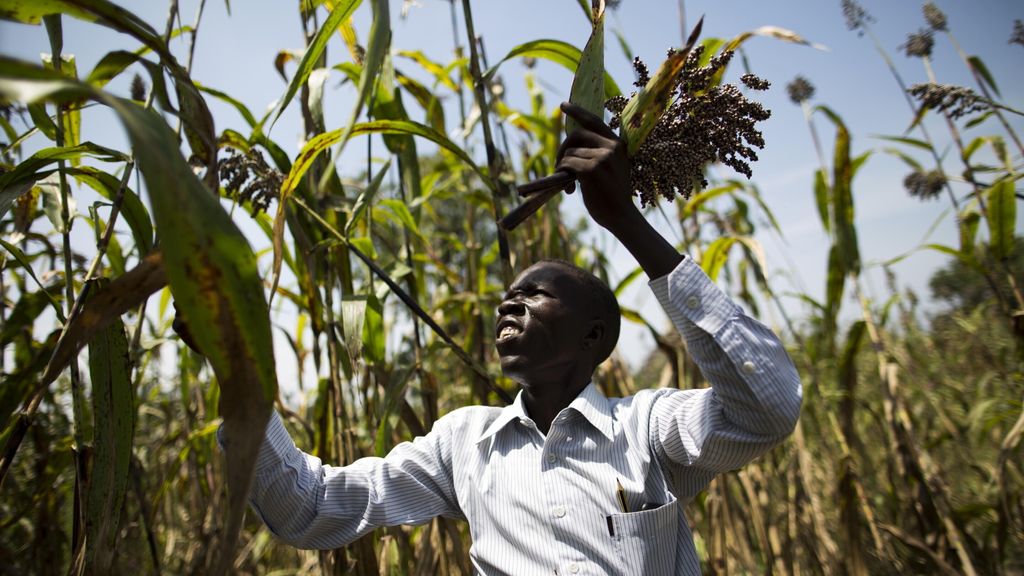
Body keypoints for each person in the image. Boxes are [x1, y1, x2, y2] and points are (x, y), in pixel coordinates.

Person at [209, 102, 802, 575]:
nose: (507, 302)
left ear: (593, 337)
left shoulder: (647, 429)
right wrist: (238, 368)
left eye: (536, 293)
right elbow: (306, 510)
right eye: (507, 296)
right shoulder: (463, 443)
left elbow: (767, 408)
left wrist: (625, 219)